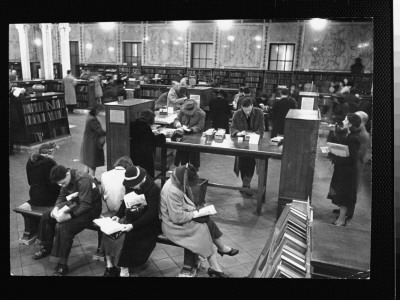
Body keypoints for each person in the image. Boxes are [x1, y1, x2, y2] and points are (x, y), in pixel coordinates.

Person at [159, 164, 239, 278]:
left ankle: (221, 248)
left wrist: (198, 213)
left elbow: (182, 205)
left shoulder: (177, 181)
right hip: (172, 225)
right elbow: (176, 217)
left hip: (179, 218)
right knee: (203, 229)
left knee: (208, 221)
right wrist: (195, 214)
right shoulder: (173, 191)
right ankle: (214, 267)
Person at [33, 165, 102, 276]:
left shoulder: (83, 180)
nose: (62, 185)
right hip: (75, 203)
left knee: (65, 227)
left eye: (63, 183)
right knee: (47, 214)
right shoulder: (65, 178)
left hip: (91, 210)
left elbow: (85, 205)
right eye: (59, 184)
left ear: (68, 174)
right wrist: (56, 209)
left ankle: (62, 264)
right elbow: (62, 196)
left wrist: (68, 217)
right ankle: (46, 246)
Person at [101, 165, 161, 277]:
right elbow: (125, 201)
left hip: (146, 224)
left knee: (124, 238)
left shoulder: (153, 189)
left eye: (134, 185)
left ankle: (124, 270)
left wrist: (133, 225)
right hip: (130, 218)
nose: (132, 187)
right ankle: (110, 267)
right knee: (107, 234)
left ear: (141, 180)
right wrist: (118, 215)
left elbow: (151, 214)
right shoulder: (131, 185)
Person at [333, 111, 371, 220]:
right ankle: (343, 209)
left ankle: (348, 213)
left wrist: (344, 152)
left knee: (351, 189)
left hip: (356, 165)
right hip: (349, 162)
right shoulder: (356, 131)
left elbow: (360, 153)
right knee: (346, 188)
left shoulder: (363, 134)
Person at [327, 113, 362, 226]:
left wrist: (335, 157)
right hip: (343, 170)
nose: (343, 121)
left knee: (344, 196)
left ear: (350, 124)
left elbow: (352, 159)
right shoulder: (349, 134)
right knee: (341, 194)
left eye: (346, 120)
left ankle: (341, 221)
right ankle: (340, 219)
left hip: (347, 172)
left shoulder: (353, 138)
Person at [230, 97, 265, 194]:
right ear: (241, 107)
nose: (247, 112)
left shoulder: (259, 112)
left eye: (249, 110)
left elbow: (261, 128)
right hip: (241, 143)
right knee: (242, 163)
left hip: (254, 142)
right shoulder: (237, 114)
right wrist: (238, 133)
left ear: (252, 106)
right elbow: (233, 128)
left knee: (251, 163)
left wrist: (255, 134)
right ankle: (245, 184)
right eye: (245, 110)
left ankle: (246, 184)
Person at [130, 109, 166, 178]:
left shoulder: (134, 124)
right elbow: (153, 141)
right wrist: (162, 136)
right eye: (153, 118)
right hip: (144, 157)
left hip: (134, 154)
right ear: (149, 118)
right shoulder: (145, 126)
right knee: (147, 175)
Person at [173, 99, 206, 170]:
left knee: (194, 161)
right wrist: (177, 123)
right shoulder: (182, 110)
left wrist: (191, 129)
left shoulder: (201, 113)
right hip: (183, 136)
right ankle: (183, 172)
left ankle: (193, 175)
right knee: (183, 160)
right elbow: (177, 119)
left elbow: (200, 126)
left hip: (195, 137)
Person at [26, 142, 60, 207]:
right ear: (48, 154)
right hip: (46, 199)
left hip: (33, 196)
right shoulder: (49, 163)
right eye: (52, 154)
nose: (53, 156)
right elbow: (53, 186)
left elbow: (30, 182)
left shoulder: (30, 162)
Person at [80, 103, 106, 177]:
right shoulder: (92, 120)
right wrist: (108, 132)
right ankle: (92, 179)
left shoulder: (89, 116)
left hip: (88, 142)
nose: (99, 112)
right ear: (95, 110)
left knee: (88, 162)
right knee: (92, 162)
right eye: (99, 110)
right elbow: (100, 131)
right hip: (92, 143)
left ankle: (84, 177)